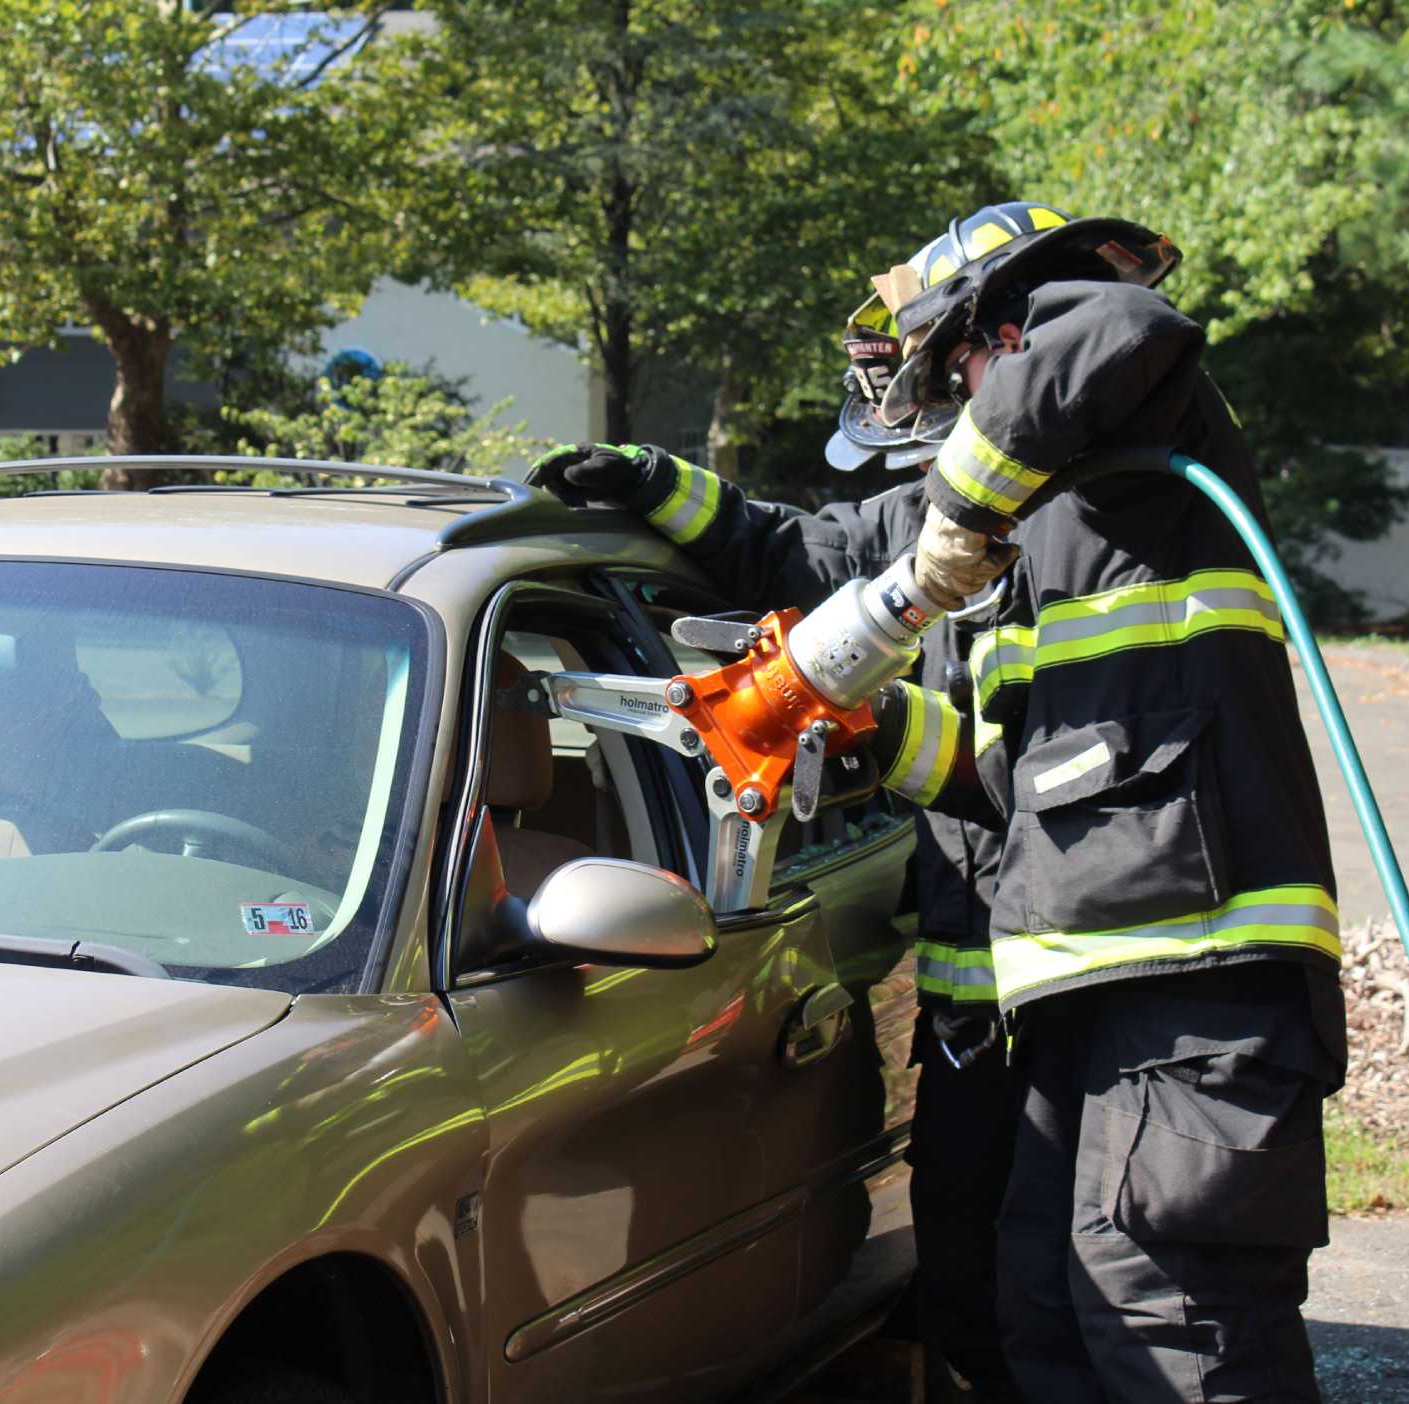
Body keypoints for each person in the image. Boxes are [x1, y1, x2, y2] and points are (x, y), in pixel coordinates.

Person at [534, 201, 1345, 1404]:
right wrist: (660, 489)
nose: (949, 400)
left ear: (1000, 326)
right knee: (1037, 1309)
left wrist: (960, 520)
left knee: (1167, 1318)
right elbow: (817, 562)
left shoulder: (1133, 427)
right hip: (1073, 972)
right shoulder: (1036, 505)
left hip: (1190, 962)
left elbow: (1118, 327)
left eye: (953, 364)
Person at [531, 275, 1031, 1403]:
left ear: (998, 357)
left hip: (1072, 998)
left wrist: (871, 723)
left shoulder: (1089, 539)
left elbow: (1034, 783)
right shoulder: (936, 525)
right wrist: (656, 481)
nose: (906, 390)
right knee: (972, 1280)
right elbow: (791, 553)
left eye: (926, 363)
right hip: (974, 1007)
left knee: (1054, 1293)